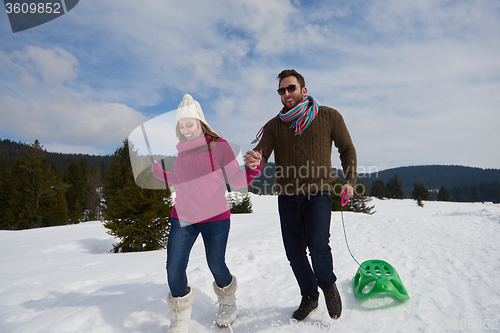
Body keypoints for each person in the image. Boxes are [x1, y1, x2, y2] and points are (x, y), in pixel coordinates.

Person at [244, 69, 357, 321]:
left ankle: (327, 286)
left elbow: (347, 148)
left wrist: (350, 181)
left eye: (291, 88)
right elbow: (262, 152)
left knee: (318, 245)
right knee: (294, 252)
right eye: (281, 91)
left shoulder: (329, 116)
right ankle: (309, 295)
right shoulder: (274, 126)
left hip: (319, 191)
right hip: (287, 196)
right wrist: (255, 158)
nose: (286, 94)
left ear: (303, 90)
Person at [152, 94, 262, 332]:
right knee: (174, 266)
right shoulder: (182, 151)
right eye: (181, 126)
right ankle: (180, 318)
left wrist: (253, 169)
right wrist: (162, 175)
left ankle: (227, 303)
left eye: (189, 125)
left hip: (215, 218)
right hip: (183, 216)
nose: (186, 130)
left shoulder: (219, 146)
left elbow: (236, 178)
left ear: (200, 122)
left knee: (216, 263)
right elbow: (182, 179)